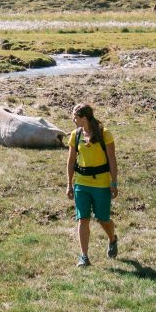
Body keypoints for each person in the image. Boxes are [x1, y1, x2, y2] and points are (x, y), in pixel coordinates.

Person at [65, 103, 118, 266]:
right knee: (83, 219)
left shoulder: (104, 134)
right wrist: (69, 183)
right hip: (81, 183)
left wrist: (114, 182)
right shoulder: (75, 135)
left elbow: (112, 160)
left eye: (75, 116)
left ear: (85, 118)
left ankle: (112, 238)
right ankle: (84, 256)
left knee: (103, 219)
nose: (73, 119)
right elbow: (71, 160)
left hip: (101, 184)